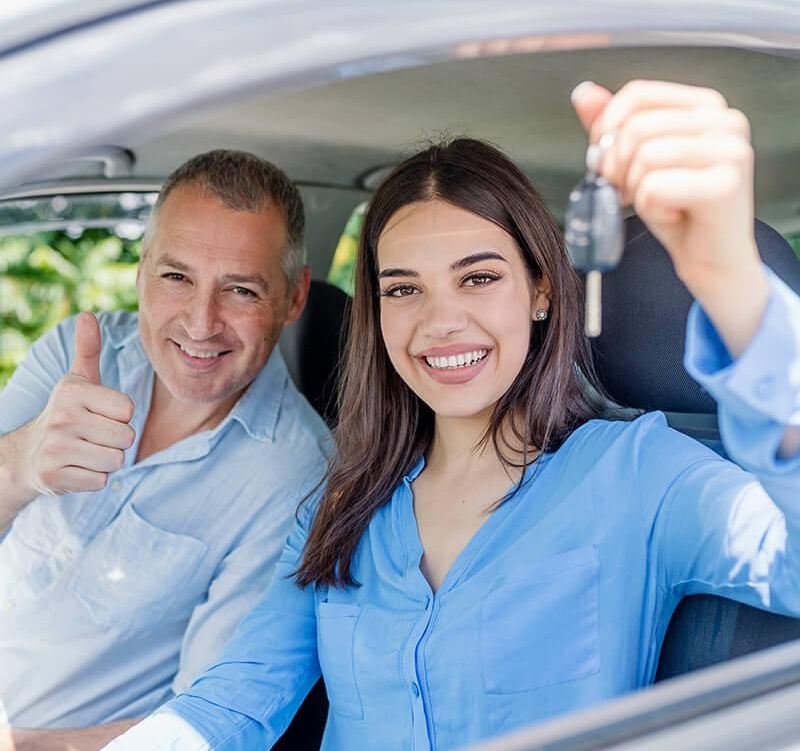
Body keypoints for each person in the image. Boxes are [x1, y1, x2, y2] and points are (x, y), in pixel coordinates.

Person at [103, 80, 800, 751]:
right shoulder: (343, 502)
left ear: (540, 291)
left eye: (479, 278)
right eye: (404, 289)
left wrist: (732, 284)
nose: (441, 323)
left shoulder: (639, 474)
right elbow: (235, 697)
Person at [0, 150, 329, 750]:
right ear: (141, 271)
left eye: (241, 290)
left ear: (293, 298)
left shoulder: (298, 477)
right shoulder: (72, 355)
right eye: (177, 277)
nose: (201, 323)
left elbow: (202, 721)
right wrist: (19, 464)